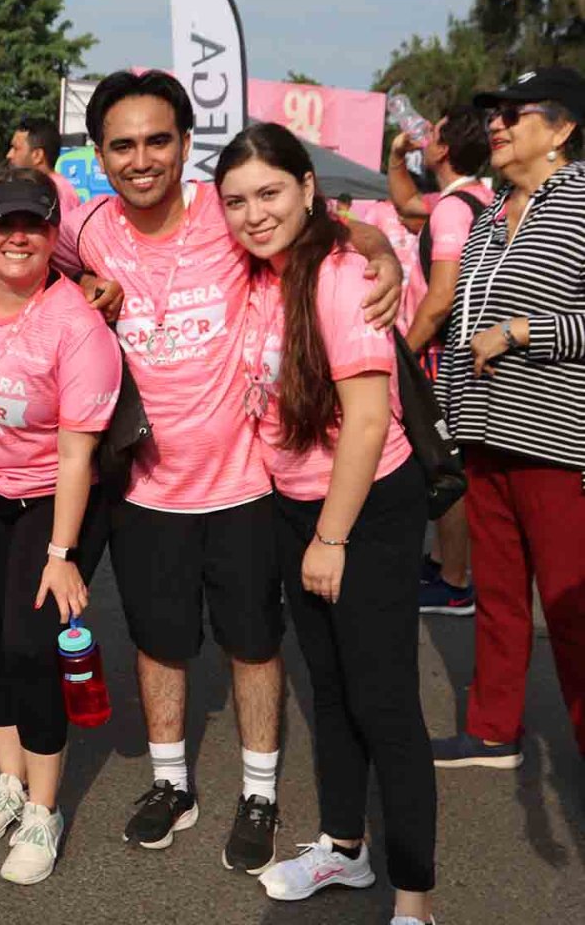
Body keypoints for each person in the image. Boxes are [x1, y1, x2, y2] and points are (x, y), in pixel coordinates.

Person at [53, 70, 403, 872]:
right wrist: (83, 283)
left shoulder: (229, 210)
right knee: (159, 644)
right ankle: (171, 784)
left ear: (185, 144)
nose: (142, 159)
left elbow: (330, 227)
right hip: (145, 490)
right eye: (122, 146)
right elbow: (35, 257)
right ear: (100, 155)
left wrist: (380, 249)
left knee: (253, 645)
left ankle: (259, 793)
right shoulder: (92, 227)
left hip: (245, 484)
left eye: (158, 140)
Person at [217, 123, 436, 925]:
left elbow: (369, 421)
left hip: (363, 508)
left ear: (309, 188)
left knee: (385, 702)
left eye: (270, 193)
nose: (253, 214)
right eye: (236, 200)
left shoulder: (341, 279)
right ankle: (345, 847)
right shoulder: (260, 273)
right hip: (295, 504)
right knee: (332, 690)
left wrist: (332, 538)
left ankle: (413, 901)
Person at [0, 167, 120, 884]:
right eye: (3, 224)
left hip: (51, 501)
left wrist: (61, 552)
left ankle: (44, 809)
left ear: (54, 234)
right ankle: (8, 780)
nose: (17, 237)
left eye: (34, 225)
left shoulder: (77, 324)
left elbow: (78, 455)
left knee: (30, 647)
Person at [431, 67, 585, 770]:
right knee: (497, 597)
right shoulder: (492, 211)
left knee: (572, 609)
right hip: (485, 437)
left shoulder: (580, 201)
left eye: (514, 113)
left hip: (558, 443)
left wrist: (527, 332)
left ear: (562, 128)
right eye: (494, 112)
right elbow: (463, 319)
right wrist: (448, 417)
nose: (496, 123)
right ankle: (494, 729)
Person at [386, 107, 494, 617]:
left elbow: (441, 298)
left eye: (432, 133)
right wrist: (396, 158)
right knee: (452, 459)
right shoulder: (479, 198)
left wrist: (402, 354)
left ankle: (454, 582)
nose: (423, 136)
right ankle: (442, 562)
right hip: (465, 351)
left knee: (441, 462)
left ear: (445, 149)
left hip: (439, 353)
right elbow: (407, 205)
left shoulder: (452, 210)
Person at [5, 117, 83, 221]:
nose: (9, 155)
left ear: (37, 155)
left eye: (16, 148)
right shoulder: (44, 187)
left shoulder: (56, 191)